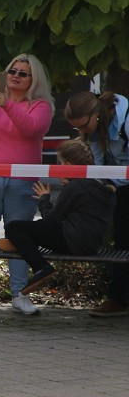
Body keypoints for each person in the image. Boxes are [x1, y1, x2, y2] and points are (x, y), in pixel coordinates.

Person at [0, 54, 54, 316]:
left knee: (19, 237)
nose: (15, 75)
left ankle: (19, 294)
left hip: (23, 180)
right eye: (12, 71)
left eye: (23, 73)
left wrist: (7, 106)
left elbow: (32, 130)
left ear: (33, 79)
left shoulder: (40, 105)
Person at [1, 139, 116, 296]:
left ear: (68, 165)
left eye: (60, 163)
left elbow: (51, 219)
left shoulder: (76, 186)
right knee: (33, 229)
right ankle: (22, 242)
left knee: (13, 227)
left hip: (71, 241)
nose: (58, 167)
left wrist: (44, 200)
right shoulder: (97, 183)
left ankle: (41, 268)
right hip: (92, 244)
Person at [63, 91, 129, 317]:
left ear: (96, 115)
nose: (81, 132)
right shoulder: (94, 132)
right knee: (122, 241)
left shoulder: (127, 122)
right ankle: (118, 299)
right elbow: (97, 168)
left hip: (123, 185)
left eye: (83, 126)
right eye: (77, 129)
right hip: (119, 187)